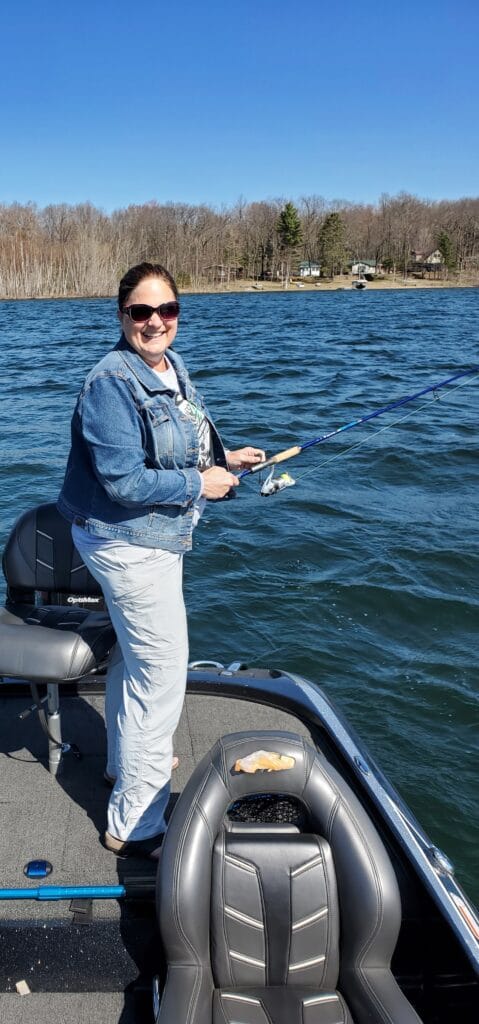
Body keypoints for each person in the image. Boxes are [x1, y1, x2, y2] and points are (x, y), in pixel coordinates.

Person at [58, 262, 265, 858]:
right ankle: (137, 823)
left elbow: (189, 432)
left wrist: (229, 459)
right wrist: (201, 484)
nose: (155, 322)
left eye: (166, 310)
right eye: (140, 312)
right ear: (121, 315)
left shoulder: (170, 368)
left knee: (133, 658)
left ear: (179, 313)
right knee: (162, 675)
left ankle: (123, 766)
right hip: (126, 542)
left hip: (156, 540)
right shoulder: (109, 383)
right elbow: (123, 481)